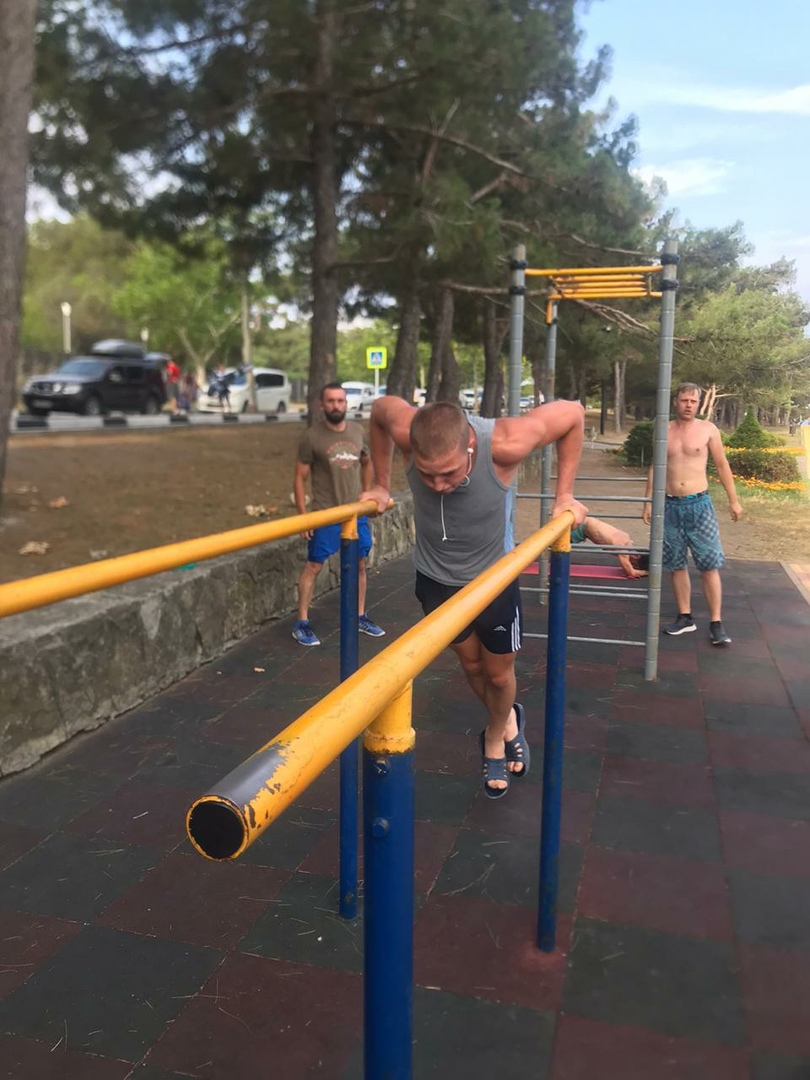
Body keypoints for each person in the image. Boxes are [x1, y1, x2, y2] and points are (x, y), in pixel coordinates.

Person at [362, 397, 587, 799]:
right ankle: (508, 721)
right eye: (427, 475)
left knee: (498, 674)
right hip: (436, 580)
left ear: (469, 445)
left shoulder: (506, 443)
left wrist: (564, 495)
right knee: (471, 665)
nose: (438, 486)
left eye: (448, 474)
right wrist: (380, 483)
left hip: (493, 580)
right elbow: (380, 410)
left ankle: (494, 738)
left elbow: (572, 413)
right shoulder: (406, 430)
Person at [642, 382, 742, 646]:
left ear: (699, 404)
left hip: (699, 505)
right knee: (676, 564)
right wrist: (648, 500)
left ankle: (716, 622)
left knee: (709, 563)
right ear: (675, 401)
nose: (688, 405)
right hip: (669, 506)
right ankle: (685, 616)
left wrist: (734, 500)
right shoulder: (663, 429)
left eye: (693, 401)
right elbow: (655, 466)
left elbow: (722, 465)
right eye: (684, 400)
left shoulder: (708, 430)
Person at [292, 382, 385, 647]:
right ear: (322, 405)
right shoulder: (312, 436)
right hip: (326, 513)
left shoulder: (357, 432)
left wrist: (366, 493)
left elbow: (366, 461)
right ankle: (302, 622)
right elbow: (299, 478)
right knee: (314, 565)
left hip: (355, 513)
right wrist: (303, 517)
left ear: (346, 403)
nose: (336, 406)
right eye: (331, 401)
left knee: (360, 563)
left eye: (340, 401)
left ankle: (359, 615)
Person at [571, 516, 648, 578]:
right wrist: (647, 572)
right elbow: (631, 573)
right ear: (636, 556)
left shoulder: (626, 539)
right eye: (634, 564)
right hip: (581, 526)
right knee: (563, 546)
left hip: (583, 525)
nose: (632, 565)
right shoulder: (623, 546)